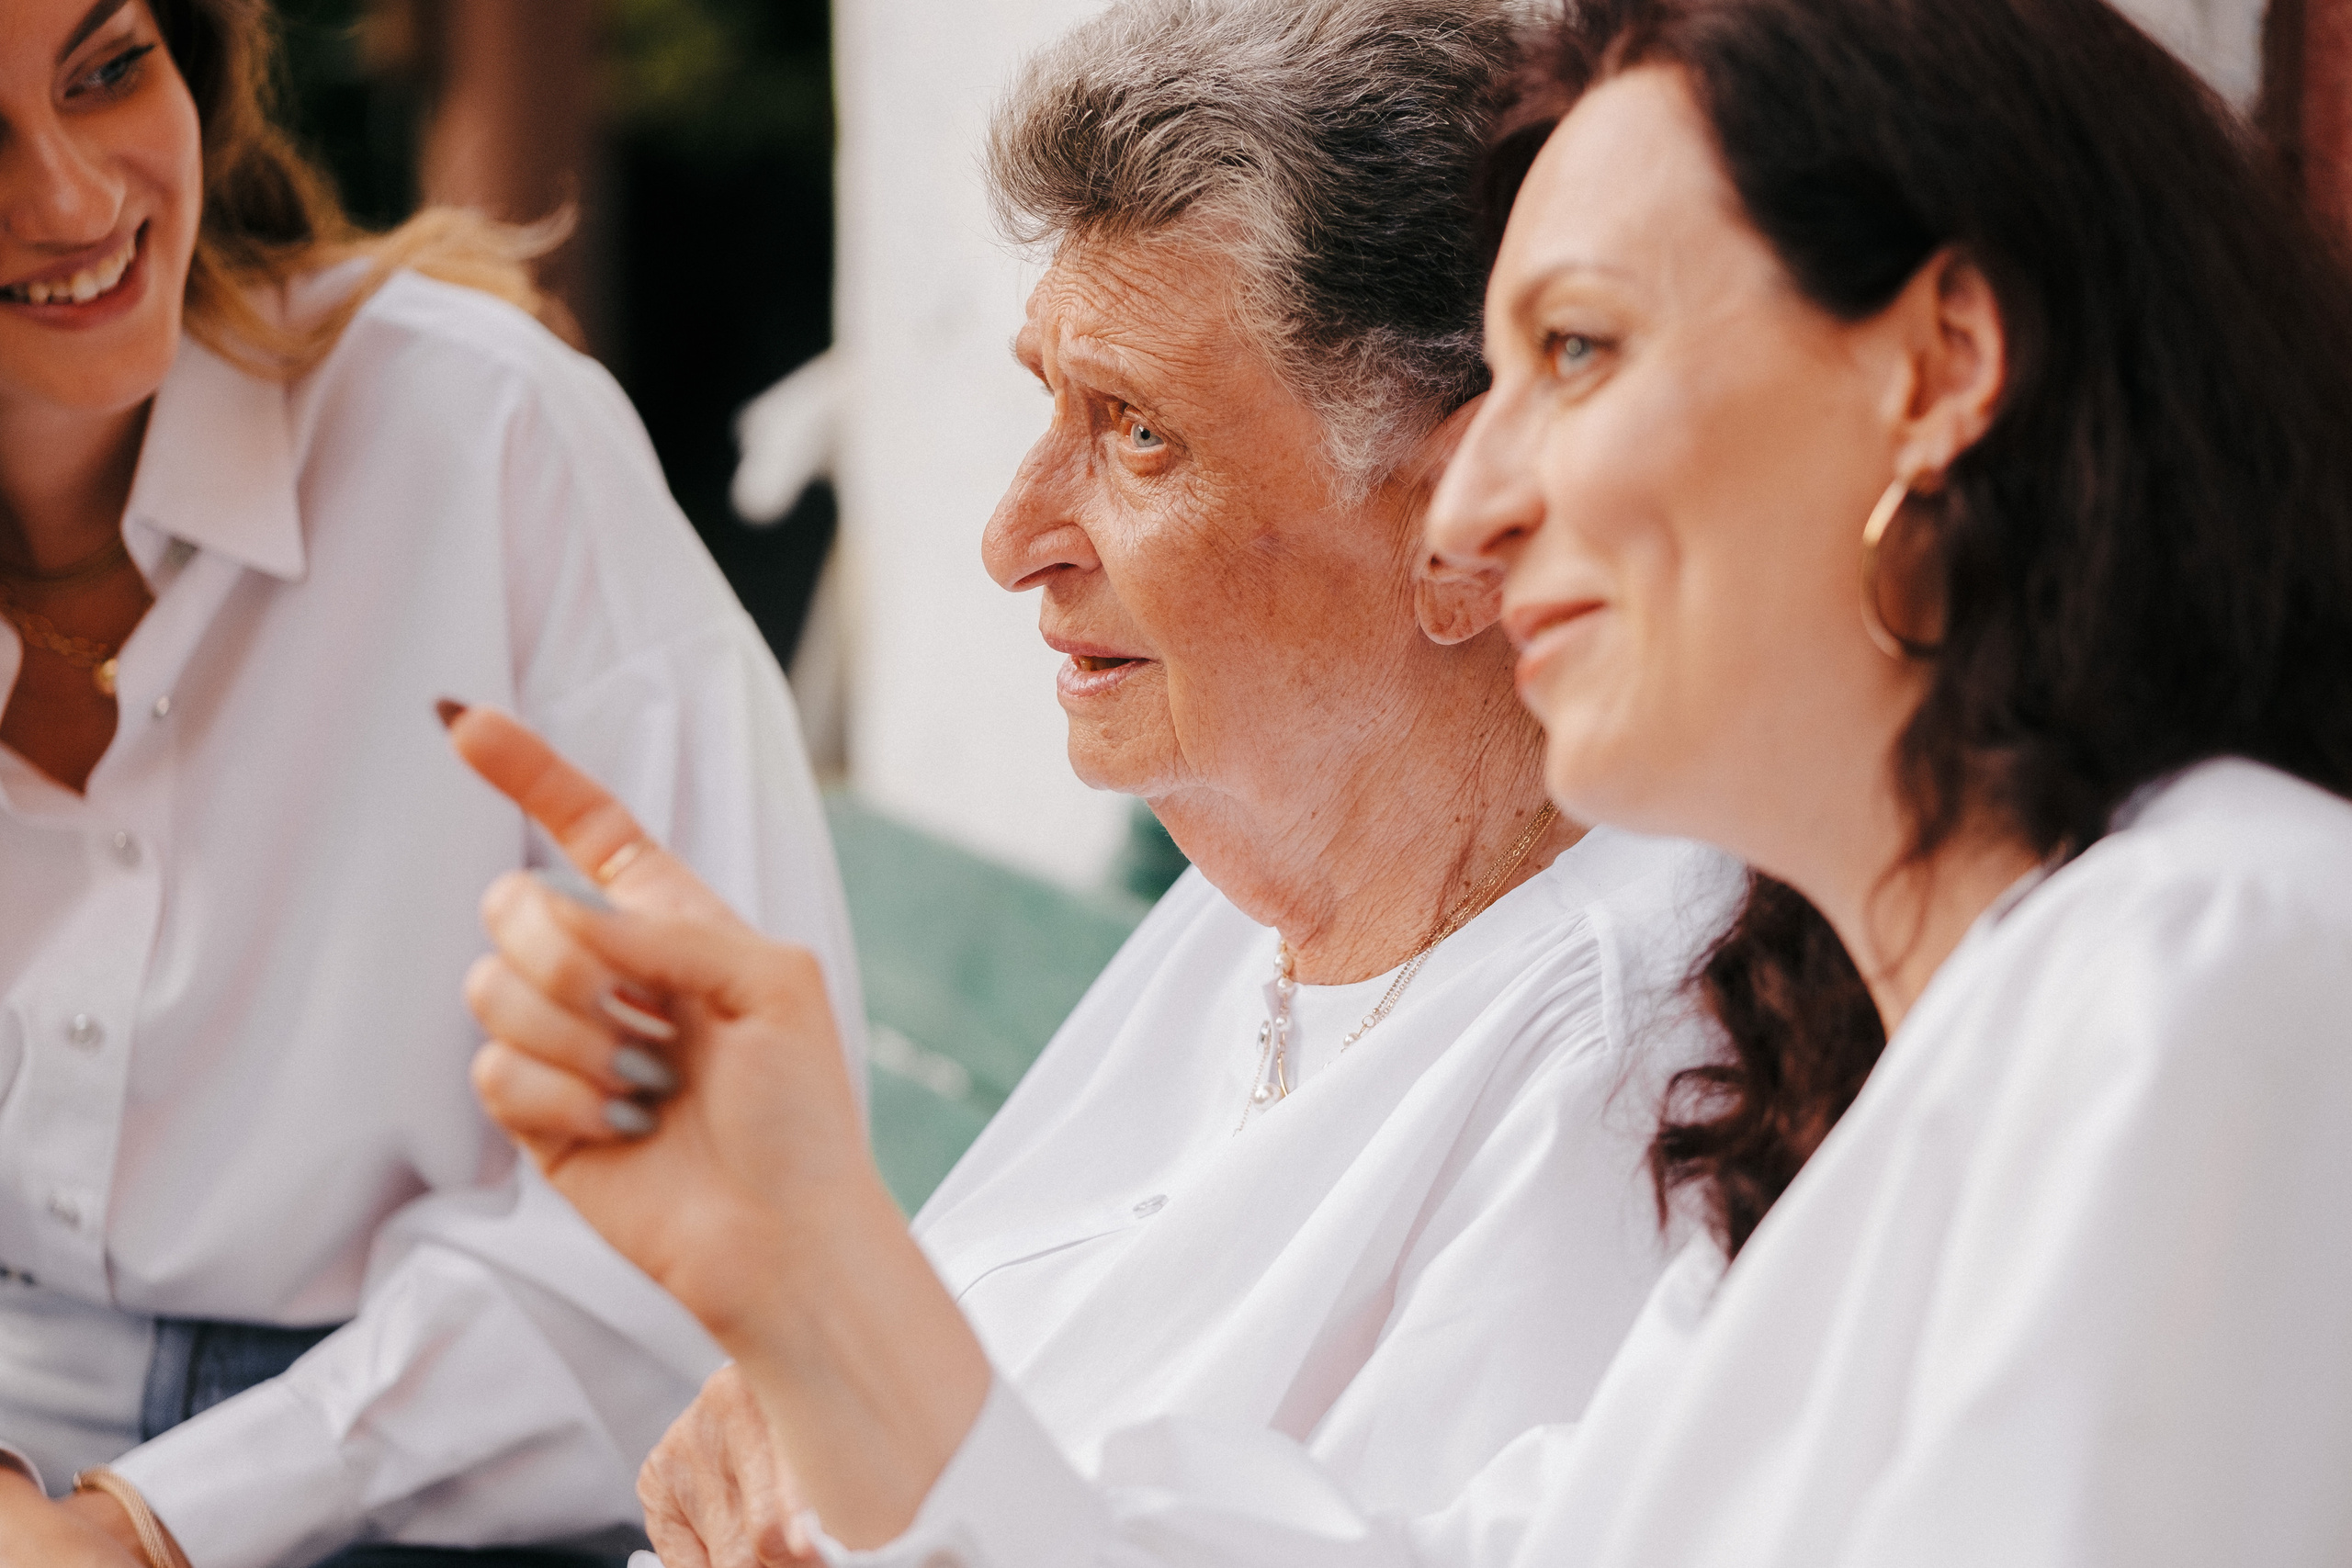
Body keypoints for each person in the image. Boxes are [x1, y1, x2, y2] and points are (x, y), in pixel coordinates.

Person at [479, 0, 2352, 1562]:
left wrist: (833, 1326)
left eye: (1578, 352)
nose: (1467, 499)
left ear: (1939, 366)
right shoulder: (1932, 1042)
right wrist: (812, 1295)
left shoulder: (2195, 956)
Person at [447, 1, 1740, 1563]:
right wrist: (810, 1372)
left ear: (1471, 513)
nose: (1014, 538)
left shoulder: (1617, 1062)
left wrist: (827, 1312)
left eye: (1134, 433)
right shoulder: (1260, 892)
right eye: (1044, 406)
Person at [0, 2, 859, 1565]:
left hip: (443, 1469)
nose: (71, 202)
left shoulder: (486, 436)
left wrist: (156, 1525)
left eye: (107, 68)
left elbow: (731, 1189)